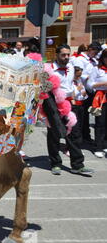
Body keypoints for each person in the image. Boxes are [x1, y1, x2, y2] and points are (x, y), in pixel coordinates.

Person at [43, 45, 94, 176]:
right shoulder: (49, 69)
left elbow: (72, 83)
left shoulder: (71, 67)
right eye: (63, 55)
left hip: (69, 104)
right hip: (53, 105)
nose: (66, 57)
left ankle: (77, 165)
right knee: (54, 134)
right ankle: (55, 163)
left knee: (75, 134)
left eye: (68, 55)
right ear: (56, 55)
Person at [73, 42, 102, 143]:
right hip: (84, 89)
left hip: (93, 89)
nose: (96, 54)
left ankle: (88, 135)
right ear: (90, 49)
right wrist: (89, 77)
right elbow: (78, 74)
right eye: (95, 51)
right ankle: (83, 135)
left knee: (91, 113)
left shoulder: (93, 60)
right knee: (83, 115)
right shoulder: (80, 59)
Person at [87, 49, 107, 158]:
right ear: (103, 58)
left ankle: (105, 144)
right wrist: (103, 84)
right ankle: (98, 146)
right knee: (100, 122)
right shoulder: (96, 69)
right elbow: (90, 85)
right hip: (100, 98)